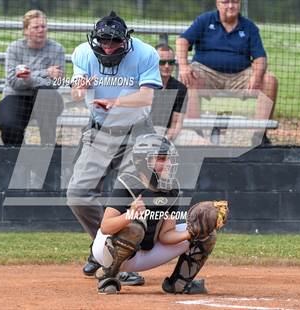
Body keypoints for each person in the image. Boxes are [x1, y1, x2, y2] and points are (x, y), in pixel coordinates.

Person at [66, 11, 162, 286]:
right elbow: (75, 92)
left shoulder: (145, 53)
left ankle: (120, 261)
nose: (108, 47)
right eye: (103, 43)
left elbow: (147, 96)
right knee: (77, 194)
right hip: (99, 131)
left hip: (136, 132)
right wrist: (79, 88)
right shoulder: (83, 53)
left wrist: (115, 103)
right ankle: (104, 249)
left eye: (114, 43)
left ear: (125, 40)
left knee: (127, 201)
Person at [92, 133, 228, 294]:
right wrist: (130, 214)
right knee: (135, 226)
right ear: (143, 161)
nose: (169, 163)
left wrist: (191, 232)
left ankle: (178, 283)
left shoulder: (171, 189)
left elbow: (165, 235)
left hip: (145, 254)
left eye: (169, 158)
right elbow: (106, 227)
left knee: (207, 235)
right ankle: (109, 276)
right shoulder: (127, 183)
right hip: (107, 250)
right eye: (162, 159)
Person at [176, 0, 278, 144]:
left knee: (270, 80)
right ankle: (194, 131)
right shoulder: (205, 20)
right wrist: (184, 66)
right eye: (226, 2)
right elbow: (182, 41)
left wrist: (257, 76)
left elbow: (260, 57)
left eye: (235, 2)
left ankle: (259, 136)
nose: (231, 6)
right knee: (189, 75)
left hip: (240, 75)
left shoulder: (249, 27)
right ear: (218, 4)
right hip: (207, 73)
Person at [0, 9, 65, 145]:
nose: (41, 30)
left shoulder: (57, 49)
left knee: (45, 92)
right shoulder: (14, 48)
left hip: (47, 100)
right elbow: (13, 82)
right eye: (36, 27)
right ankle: (16, 158)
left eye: (43, 26)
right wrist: (46, 72)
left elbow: (55, 83)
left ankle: (48, 148)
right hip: (16, 96)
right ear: (26, 31)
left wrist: (28, 77)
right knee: (9, 126)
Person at [151, 43, 208, 145]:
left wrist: (167, 138)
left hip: (169, 134)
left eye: (171, 62)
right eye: (162, 62)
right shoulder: (145, 85)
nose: (167, 66)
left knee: (203, 143)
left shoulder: (180, 88)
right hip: (147, 132)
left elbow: (177, 122)